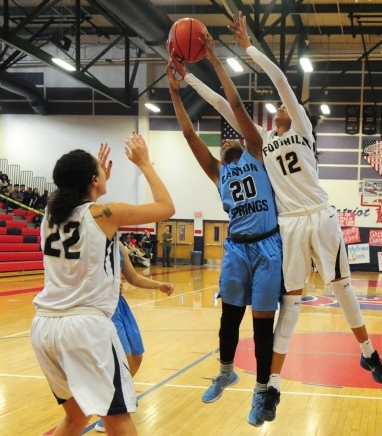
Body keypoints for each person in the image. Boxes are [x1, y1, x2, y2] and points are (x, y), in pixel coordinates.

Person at [219, 12, 382, 421]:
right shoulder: (264, 146)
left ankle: (368, 353)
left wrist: (249, 49)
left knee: (343, 289)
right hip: (290, 224)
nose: (279, 106)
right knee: (290, 307)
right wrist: (194, 76)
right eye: (278, 106)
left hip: (319, 214)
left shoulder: (300, 126)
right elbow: (229, 109)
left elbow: (279, 79)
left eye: (284, 105)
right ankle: (271, 389)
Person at [168, 41, 282, 426]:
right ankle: (225, 373)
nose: (227, 138)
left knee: (262, 327)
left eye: (231, 136)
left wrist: (214, 58)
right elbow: (188, 135)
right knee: (228, 321)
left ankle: (261, 391)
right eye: (223, 140)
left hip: (267, 248)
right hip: (235, 251)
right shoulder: (218, 172)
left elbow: (236, 106)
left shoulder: (256, 153)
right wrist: (174, 93)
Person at [30, 135, 175, 436]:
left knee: (75, 418)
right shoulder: (105, 215)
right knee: (117, 419)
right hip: (85, 329)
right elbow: (166, 207)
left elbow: (80, 209)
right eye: (100, 171)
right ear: (94, 180)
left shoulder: (48, 215)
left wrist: (93, 179)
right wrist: (144, 163)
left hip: (45, 328)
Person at [95, 241, 174, 432]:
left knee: (137, 357)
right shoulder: (92, 240)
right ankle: (109, 411)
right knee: (124, 358)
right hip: (103, 307)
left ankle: (121, 396)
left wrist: (158, 285)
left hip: (119, 304)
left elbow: (133, 277)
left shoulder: (119, 246)